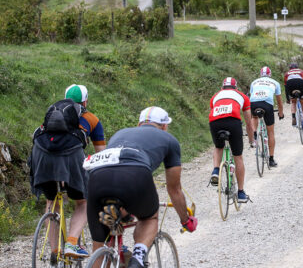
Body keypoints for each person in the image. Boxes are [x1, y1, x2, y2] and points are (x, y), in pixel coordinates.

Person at [85, 107, 197, 268]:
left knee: (101, 247)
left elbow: (115, 168)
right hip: (135, 174)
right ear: (164, 126)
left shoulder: (120, 133)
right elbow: (174, 189)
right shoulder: (168, 139)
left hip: (97, 177)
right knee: (149, 218)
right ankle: (137, 258)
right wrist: (185, 220)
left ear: (139, 124)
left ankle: (118, 214)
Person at [28, 85, 106, 260]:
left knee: (51, 200)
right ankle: (71, 243)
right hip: (71, 154)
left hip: (41, 153)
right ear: (85, 101)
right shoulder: (91, 119)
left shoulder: (53, 112)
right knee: (83, 202)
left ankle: (54, 251)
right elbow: (102, 153)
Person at [209, 77, 254, 203]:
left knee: (218, 147)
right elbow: (249, 123)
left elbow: (214, 110)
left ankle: (216, 170)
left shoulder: (215, 96)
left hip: (215, 122)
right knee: (237, 156)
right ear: (236, 87)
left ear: (222, 87)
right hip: (233, 122)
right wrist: (251, 141)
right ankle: (240, 193)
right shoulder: (243, 96)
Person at [249, 66, 284, 167]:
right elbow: (279, 101)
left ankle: (254, 133)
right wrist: (280, 113)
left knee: (255, 117)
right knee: (270, 132)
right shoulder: (275, 82)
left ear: (260, 75)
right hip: (267, 104)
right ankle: (271, 159)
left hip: (254, 103)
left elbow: (252, 95)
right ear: (270, 75)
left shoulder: (254, 82)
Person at [65, 84, 106, 152]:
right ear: (85, 102)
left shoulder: (54, 114)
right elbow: (101, 152)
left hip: (45, 153)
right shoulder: (92, 119)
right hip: (72, 157)